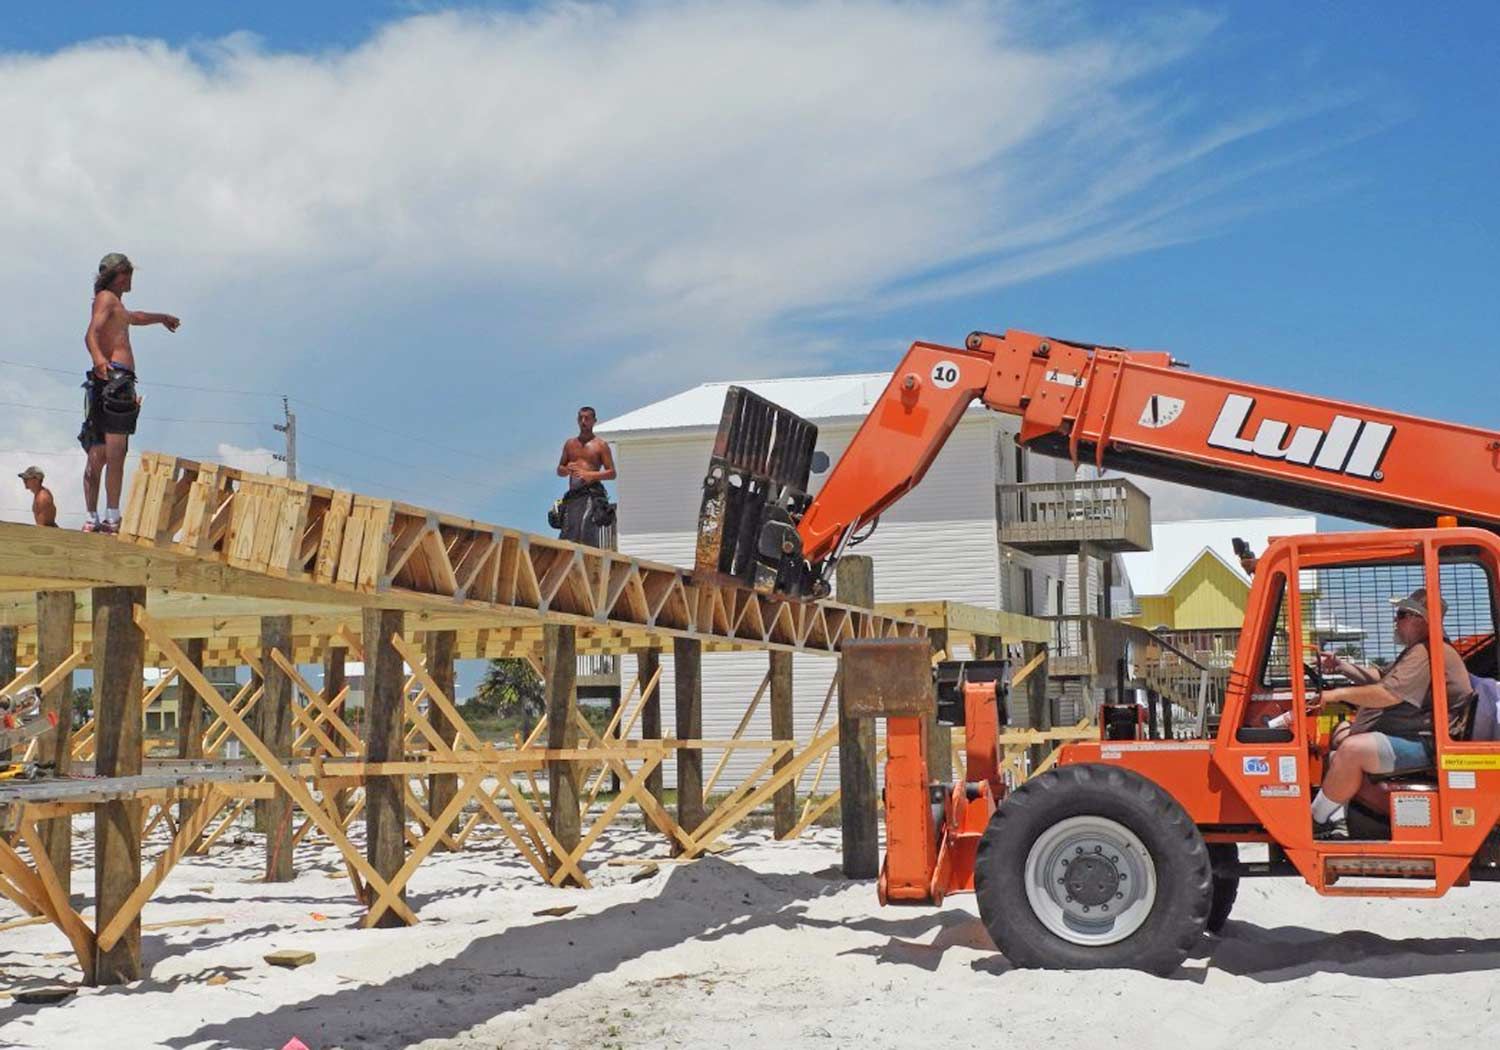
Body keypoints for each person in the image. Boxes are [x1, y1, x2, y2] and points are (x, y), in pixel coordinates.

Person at [1309, 587, 1474, 839]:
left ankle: (1314, 821)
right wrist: (1342, 666)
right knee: (1342, 735)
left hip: (1427, 743)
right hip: (1417, 735)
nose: (1395, 621)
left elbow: (1388, 694)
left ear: (1419, 619)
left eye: (1400, 615)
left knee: (1352, 749)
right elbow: (1381, 677)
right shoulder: (1420, 651)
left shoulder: (1427, 652)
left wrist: (1336, 695)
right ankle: (1337, 820)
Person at [81, 252, 180, 534]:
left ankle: (94, 518)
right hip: (115, 379)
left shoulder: (114, 303)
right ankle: (111, 518)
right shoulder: (106, 298)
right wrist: (100, 358)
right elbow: (90, 334)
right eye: (124, 273)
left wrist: (162, 317)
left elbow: (135, 317)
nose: (129, 278)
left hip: (109, 380)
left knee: (99, 452)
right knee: (113, 453)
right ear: (112, 276)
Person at [554, 406, 616, 546]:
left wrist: (589, 475)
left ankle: (589, 564)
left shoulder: (600, 445)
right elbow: (559, 469)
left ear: (594, 421)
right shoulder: (570, 444)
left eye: (587, 418)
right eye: (580, 418)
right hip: (573, 496)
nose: (583, 421)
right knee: (568, 533)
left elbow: (612, 473)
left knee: (586, 530)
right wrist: (567, 470)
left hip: (591, 494)